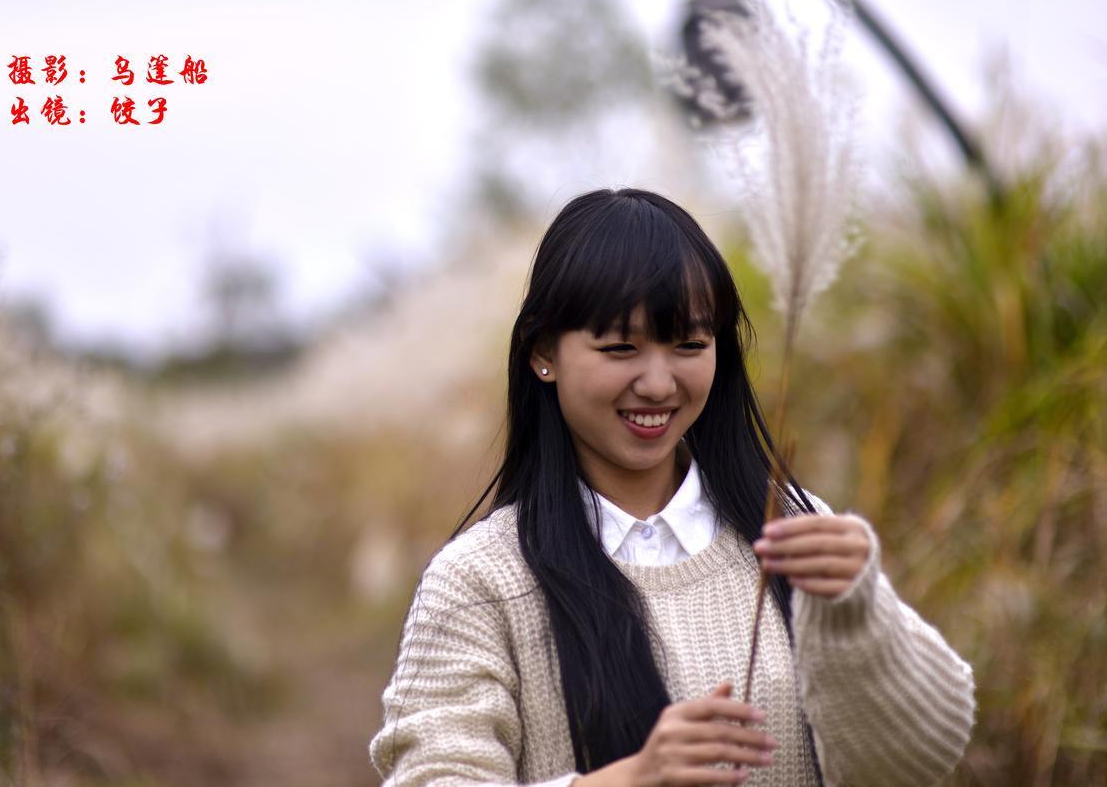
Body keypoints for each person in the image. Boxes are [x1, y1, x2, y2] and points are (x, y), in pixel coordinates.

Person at [368, 188, 975, 786]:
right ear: (543, 351)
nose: (659, 385)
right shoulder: (480, 579)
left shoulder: (791, 530)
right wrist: (630, 780)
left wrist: (858, 611)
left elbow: (922, 759)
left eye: (689, 344)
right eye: (620, 348)